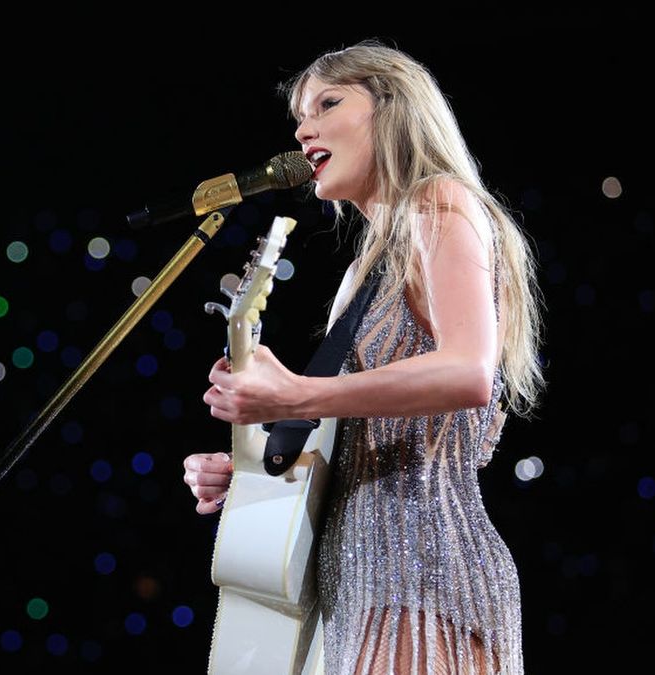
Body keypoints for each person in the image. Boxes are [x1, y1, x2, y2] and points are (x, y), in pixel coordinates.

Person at [182, 39, 546, 674]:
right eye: (299, 115)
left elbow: (468, 370)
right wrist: (251, 472)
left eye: (327, 103)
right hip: (359, 584)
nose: (303, 129)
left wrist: (293, 393)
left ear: (393, 108)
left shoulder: (440, 201)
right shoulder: (362, 272)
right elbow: (358, 437)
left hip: (421, 572)